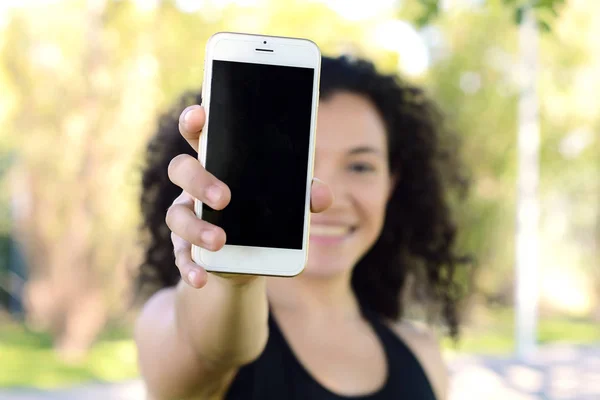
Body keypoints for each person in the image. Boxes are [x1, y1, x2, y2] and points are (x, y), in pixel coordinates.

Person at [135, 55, 469, 400]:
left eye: (360, 166)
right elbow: (214, 347)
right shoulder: (168, 321)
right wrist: (231, 275)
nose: (329, 195)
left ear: (392, 183)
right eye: (301, 162)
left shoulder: (422, 354)